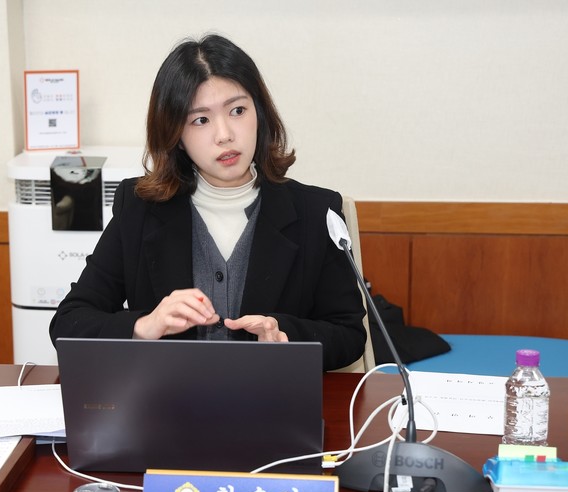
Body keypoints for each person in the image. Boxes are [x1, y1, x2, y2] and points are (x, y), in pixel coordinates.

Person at [49, 33, 366, 371]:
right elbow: (69, 322)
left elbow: (348, 334)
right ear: (177, 136)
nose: (224, 134)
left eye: (238, 110)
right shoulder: (140, 208)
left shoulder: (315, 213)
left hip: (272, 397)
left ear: (259, 114)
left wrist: (286, 336)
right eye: (200, 120)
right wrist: (145, 326)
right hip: (166, 397)